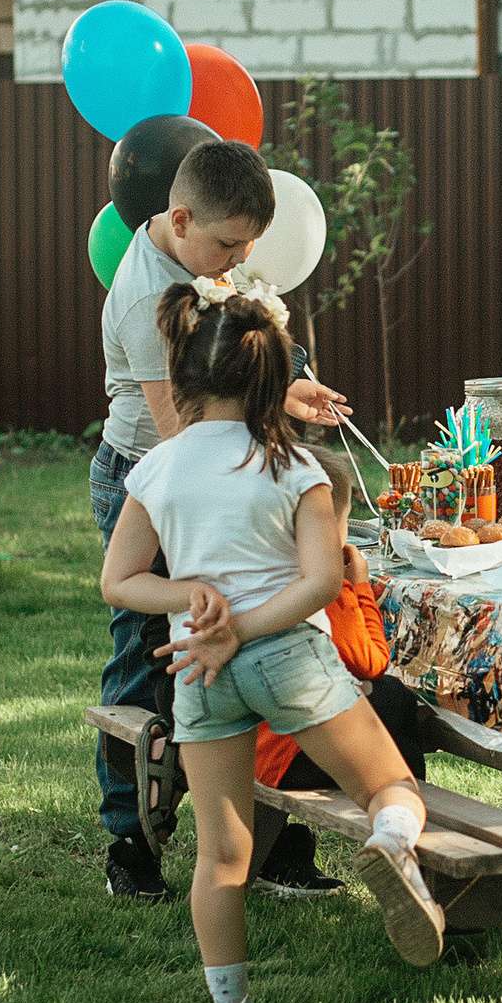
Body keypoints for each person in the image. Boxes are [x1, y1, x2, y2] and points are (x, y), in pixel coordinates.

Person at [102, 278, 447, 1003]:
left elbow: (119, 580)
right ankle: (392, 847)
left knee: (222, 854)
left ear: (185, 374)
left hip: (198, 668)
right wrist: (247, 625)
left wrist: (201, 602)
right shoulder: (299, 467)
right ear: (273, 383)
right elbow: (323, 582)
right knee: (391, 788)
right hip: (288, 658)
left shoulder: (156, 468)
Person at [90, 138, 351, 902]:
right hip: (151, 482)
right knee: (150, 659)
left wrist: (287, 392)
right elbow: (186, 438)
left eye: (247, 246)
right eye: (229, 244)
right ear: (180, 218)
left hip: (218, 466)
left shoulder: (202, 260)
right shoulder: (147, 298)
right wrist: (271, 441)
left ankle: (276, 841)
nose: (236, 261)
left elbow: (227, 392)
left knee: (271, 639)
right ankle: (130, 844)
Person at [250, 453, 429, 898]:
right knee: (395, 702)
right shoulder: (324, 586)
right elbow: (371, 660)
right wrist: (359, 587)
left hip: (249, 744)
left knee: (384, 701)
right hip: (289, 757)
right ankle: (410, 837)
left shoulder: (256, 572)